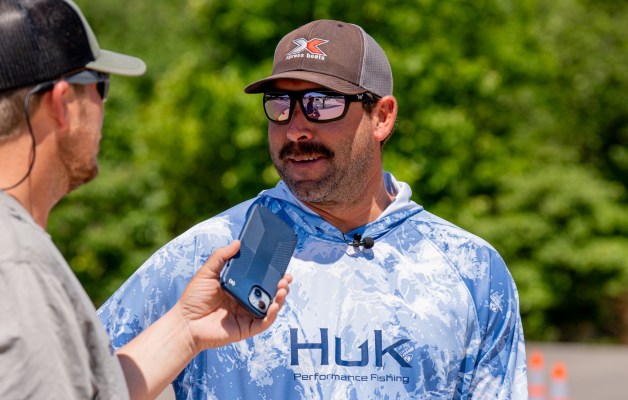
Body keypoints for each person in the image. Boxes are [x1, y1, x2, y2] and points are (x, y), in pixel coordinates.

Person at [99, 19, 528, 399]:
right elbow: (77, 381)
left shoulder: (471, 269)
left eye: (322, 103)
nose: (296, 128)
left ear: (382, 116)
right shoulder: (211, 254)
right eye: (280, 104)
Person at [0, 1, 290, 399]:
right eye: (100, 85)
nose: (103, 107)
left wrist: (187, 327)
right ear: (62, 103)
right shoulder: (18, 263)